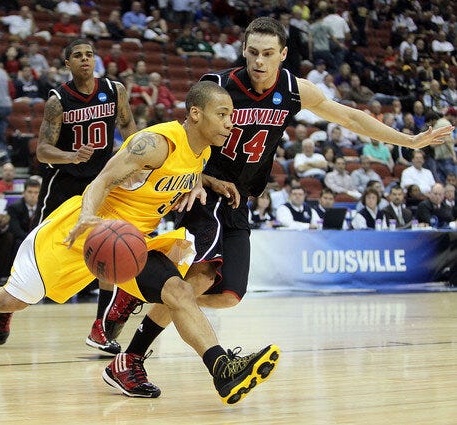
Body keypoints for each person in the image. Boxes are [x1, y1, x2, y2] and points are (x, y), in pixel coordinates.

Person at [98, 16, 454, 397]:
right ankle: (161, 353)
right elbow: (182, 138)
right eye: (252, 52)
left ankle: (138, 309)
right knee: (200, 276)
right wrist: (196, 179)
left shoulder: (293, 90)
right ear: (244, 52)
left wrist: (410, 141)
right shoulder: (218, 88)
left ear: (283, 55)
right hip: (207, 191)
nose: (259, 62)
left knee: (229, 294)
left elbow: (348, 115)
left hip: (240, 199)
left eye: (269, 54)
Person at [0, 81, 281, 407]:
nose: (231, 123)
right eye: (224, 114)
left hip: (129, 243)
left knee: (178, 289)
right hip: (85, 233)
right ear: (195, 114)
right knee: (11, 298)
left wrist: (204, 181)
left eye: (231, 115)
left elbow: (186, 168)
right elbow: (101, 180)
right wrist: (86, 217)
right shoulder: (154, 142)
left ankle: (221, 370)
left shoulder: (203, 149)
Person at [22, 39, 136, 353]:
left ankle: (100, 328)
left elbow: (129, 129)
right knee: (34, 248)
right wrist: (71, 156)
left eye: (89, 54)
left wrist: (138, 163)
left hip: (100, 183)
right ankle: (6, 309)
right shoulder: (58, 100)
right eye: (77, 55)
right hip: (63, 183)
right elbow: (43, 151)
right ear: (68, 64)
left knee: (110, 247)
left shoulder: (114, 91)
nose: (85, 59)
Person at [7, 178, 40, 256]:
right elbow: (16, 230)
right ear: (23, 193)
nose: (33, 195)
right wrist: (30, 240)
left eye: (36, 192)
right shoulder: (14, 207)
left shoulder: (43, 208)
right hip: (22, 239)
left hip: (38, 238)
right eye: (30, 192)